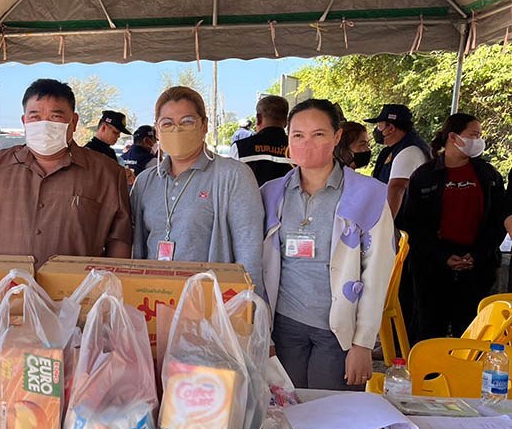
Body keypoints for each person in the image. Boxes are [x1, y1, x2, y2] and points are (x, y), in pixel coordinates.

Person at [262, 99, 395, 390]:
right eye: (298, 135)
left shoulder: (368, 195)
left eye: (318, 134)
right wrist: (263, 336)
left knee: (332, 412)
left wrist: (363, 343)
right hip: (284, 330)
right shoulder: (271, 194)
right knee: (286, 410)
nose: (307, 143)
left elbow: (377, 273)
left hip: (339, 335)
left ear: (337, 136)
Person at [0, 79, 132, 266]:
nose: (44, 125)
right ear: (24, 121)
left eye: (55, 117)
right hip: (2, 283)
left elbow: (119, 240)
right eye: (35, 117)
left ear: (74, 122)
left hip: (77, 285)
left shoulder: (108, 174)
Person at [130, 86, 265, 295]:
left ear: (204, 125)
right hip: (152, 300)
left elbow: (250, 253)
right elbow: (136, 248)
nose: (177, 130)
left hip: (209, 303)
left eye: (187, 122)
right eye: (167, 123)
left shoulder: (233, 176)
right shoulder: (145, 181)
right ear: (157, 130)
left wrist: (247, 306)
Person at [404, 113, 506, 340]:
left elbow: (498, 220)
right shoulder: (424, 176)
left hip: (477, 264)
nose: (479, 141)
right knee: (430, 329)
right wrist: (441, 255)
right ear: (453, 137)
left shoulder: (488, 175)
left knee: (472, 332)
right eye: (474, 135)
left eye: (480, 135)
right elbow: (413, 223)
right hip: (432, 266)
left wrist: (478, 254)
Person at [366, 104, 431, 219]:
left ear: (391, 128)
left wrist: (384, 224)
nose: (376, 130)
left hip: (403, 223)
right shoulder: (397, 148)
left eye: (379, 126)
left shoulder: (409, 151)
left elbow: (396, 188)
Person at [230, 95, 292, 186]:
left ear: (258, 119)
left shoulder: (239, 148)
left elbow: (229, 183)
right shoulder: (298, 148)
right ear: (286, 122)